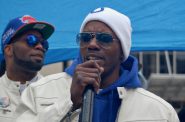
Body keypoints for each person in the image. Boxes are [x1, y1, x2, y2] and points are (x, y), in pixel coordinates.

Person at [15, 7, 179, 122]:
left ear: (122, 51)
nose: (92, 44)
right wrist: (69, 103)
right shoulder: (39, 91)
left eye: (104, 38)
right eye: (86, 37)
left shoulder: (160, 111)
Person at [0, 15, 54, 122]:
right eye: (31, 39)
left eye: (44, 43)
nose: (40, 46)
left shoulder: (60, 93)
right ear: (8, 50)